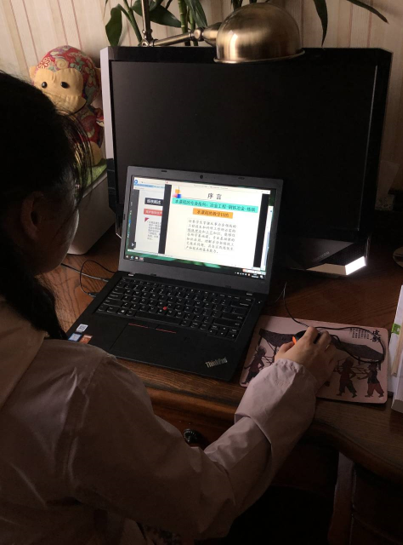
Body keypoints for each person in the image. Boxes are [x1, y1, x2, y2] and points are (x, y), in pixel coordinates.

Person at [0, 71, 337, 545]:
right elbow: (210, 500)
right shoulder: (77, 392)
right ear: (33, 216)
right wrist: (291, 378)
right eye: (73, 189)